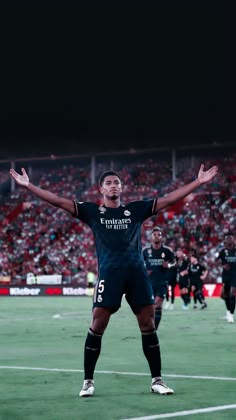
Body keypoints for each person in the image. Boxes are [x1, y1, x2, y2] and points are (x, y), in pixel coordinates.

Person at [9, 163, 218, 397]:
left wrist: (198, 182)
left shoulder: (136, 210)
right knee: (97, 325)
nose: (113, 185)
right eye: (108, 183)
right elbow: (57, 200)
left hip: (137, 273)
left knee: (148, 324)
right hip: (109, 274)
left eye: (116, 182)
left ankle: (156, 380)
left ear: (122, 188)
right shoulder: (92, 212)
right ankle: (88, 381)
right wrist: (29, 186)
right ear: (101, 189)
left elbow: (168, 199)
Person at [143, 227, 175, 329]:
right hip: (149, 283)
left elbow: (175, 262)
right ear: (151, 237)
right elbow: (139, 263)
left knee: (157, 304)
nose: (157, 236)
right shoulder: (145, 251)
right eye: (155, 234)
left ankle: (154, 328)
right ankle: (152, 326)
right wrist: (145, 270)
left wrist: (169, 265)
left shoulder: (167, 251)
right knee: (151, 306)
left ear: (162, 238)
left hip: (162, 282)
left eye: (159, 235)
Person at [216, 234, 236, 323]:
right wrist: (223, 266)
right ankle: (228, 312)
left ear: (233, 240)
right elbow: (216, 262)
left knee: (232, 295)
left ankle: (231, 316)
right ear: (225, 242)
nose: (229, 240)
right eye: (227, 239)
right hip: (226, 275)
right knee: (226, 295)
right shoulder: (223, 251)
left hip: (235, 275)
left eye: (230, 238)